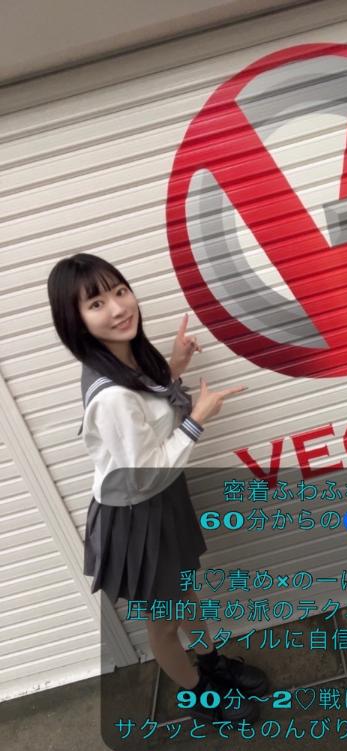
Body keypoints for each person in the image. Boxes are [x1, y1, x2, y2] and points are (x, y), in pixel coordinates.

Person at [47, 252, 268, 724]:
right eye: (96, 304)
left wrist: (174, 367)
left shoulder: (125, 360)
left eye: (120, 291)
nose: (117, 308)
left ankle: (210, 664)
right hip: (137, 518)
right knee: (164, 624)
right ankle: (201, 697)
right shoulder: (110, 396)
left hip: (160, 500)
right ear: (75, 320)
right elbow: (144, 472)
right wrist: (197, 420)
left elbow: (148, 407)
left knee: (185, 592)